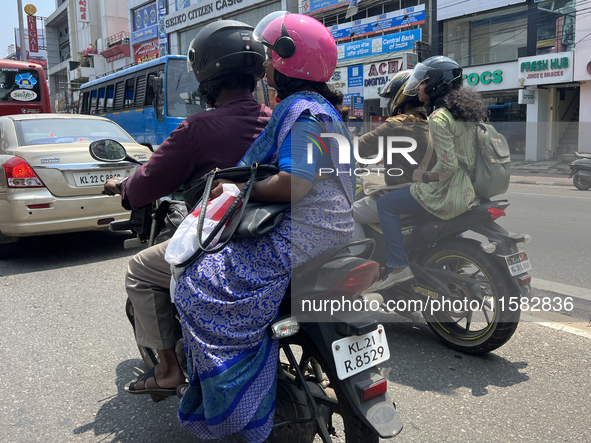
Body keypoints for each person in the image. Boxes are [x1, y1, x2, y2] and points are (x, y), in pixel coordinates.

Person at [172, 11, 354, 442]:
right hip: (338, 228)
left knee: (196, 283)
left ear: (287, 62)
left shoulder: (300, 110)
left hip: (306, 231)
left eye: (270, 56)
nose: (265, 67)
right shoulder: (327, 108)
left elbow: (295, 183)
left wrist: (242, 191)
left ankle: (238, 402)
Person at [103, 20, 273, 397]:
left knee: (139, 269)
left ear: (206, 76)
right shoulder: (279, 121)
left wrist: (124, 188)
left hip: (222, 242)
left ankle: (166, 370)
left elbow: (148, 180)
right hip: (274, 239)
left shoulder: (197, 128)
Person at [373, 56, 489, 290]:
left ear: (436, 85)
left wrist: (423, 177)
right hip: (468, 189)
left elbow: (447, 166)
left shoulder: (438, 117)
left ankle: (397, 268)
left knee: (385, 204)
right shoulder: (464, 114)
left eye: (423, 83)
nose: (418, 88)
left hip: (447, 190)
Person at [352, 69, 433, 239]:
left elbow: (358, 149)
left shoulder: (397, 125)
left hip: (402, 194)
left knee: (347, 214)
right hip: (427, 193)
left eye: (391, 98)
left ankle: (357, 262)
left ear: (400, 97)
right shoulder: (431, 121)